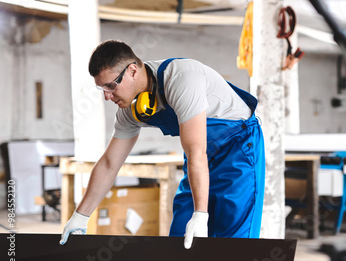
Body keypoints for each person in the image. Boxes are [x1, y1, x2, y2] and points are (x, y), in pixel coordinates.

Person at [59, 40, 265, 249]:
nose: (106, 96)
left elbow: (196, 152)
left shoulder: (181, 79)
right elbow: (109, 164)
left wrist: (201, 215)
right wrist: (80, 216)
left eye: (111, 86)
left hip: (238, 152)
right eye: (101, 88)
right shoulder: (129, 111)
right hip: (200, 158)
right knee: (180, 239)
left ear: (132, 71)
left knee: (233, 244)